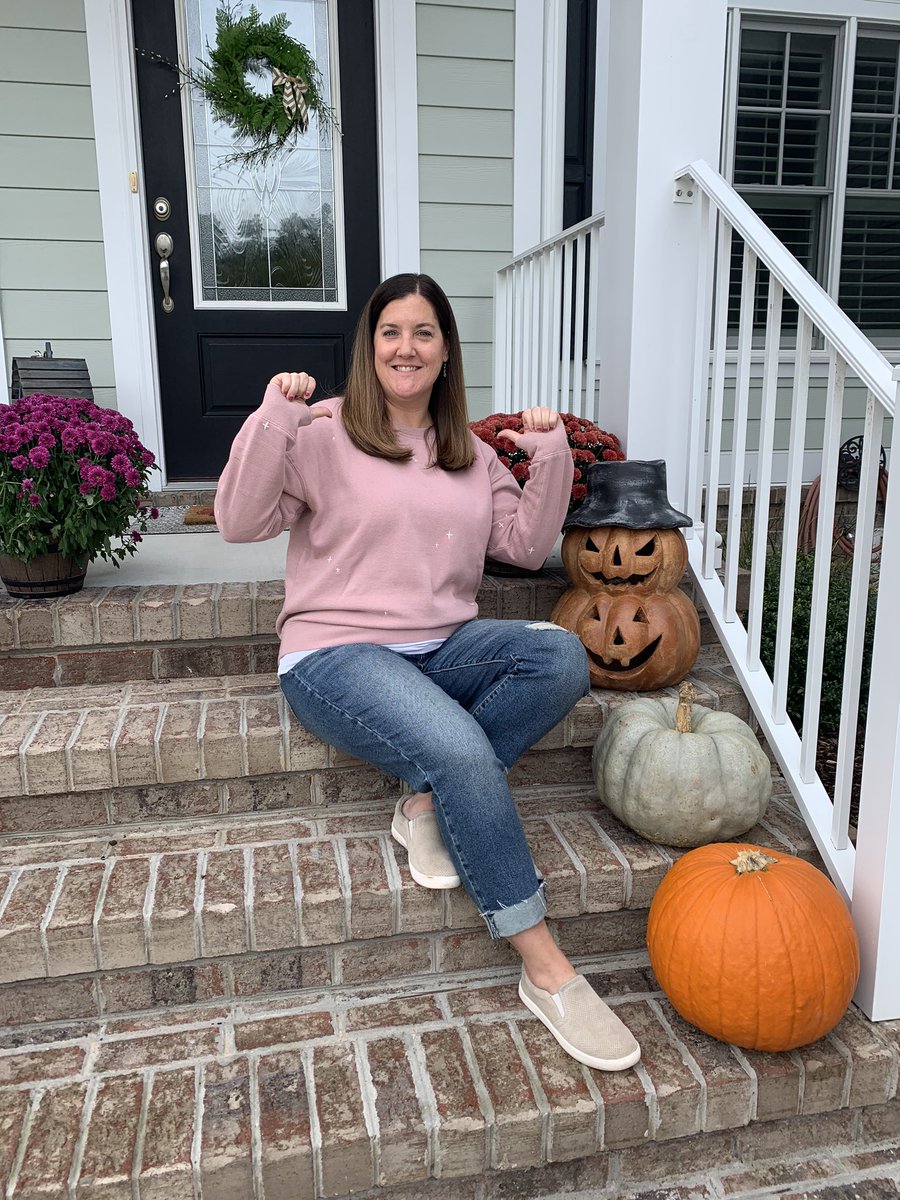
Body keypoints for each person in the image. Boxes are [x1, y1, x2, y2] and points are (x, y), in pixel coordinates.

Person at [215, 272, 641, 1072]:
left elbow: (519, 548)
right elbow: (237, 521)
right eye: (390, 333)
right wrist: (272, 417)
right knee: (457, 747)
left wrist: (550, 461)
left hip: (443, 647)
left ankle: (422, 803)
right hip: (336, 653)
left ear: (446, 352)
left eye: (423, 333)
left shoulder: (470, 453)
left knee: (558, 653)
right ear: (368, 348)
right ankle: (544, 966)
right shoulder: (319, 430)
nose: (405, 347)